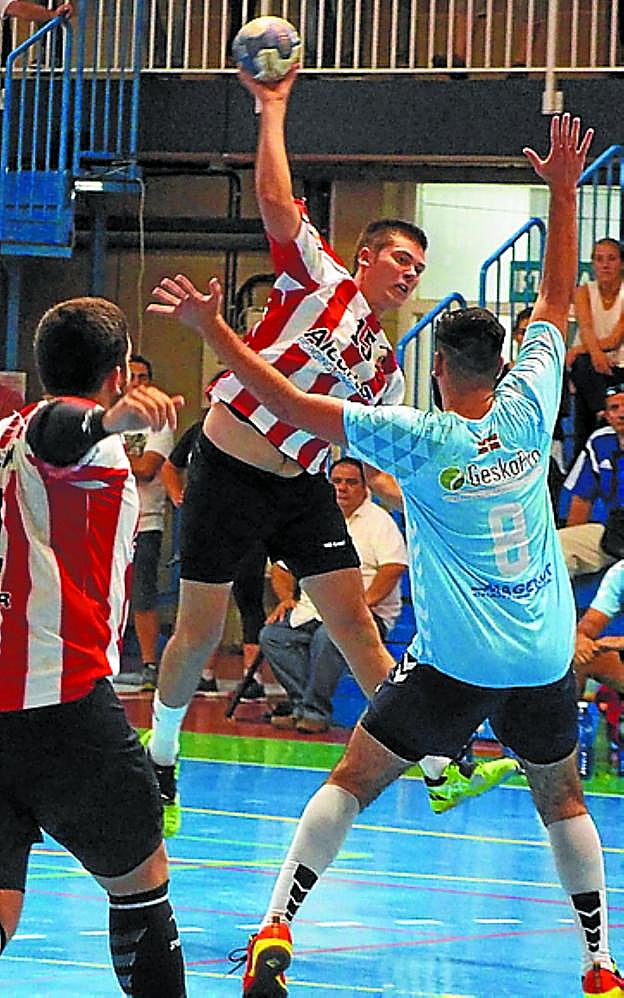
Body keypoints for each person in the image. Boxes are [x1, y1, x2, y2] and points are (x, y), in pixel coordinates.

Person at [148, 114, 624, 998]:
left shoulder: (415, 430)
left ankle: (277, 924)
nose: (408, 273)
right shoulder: (532, 404)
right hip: (543, 655)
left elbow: (294, 404)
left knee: (352, 779)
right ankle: (601, 964)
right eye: (399, 259)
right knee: (562, 798)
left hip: (456, 659)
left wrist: (214, 333)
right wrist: (565, 192)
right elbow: (556, 301)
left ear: (439, 370)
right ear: (509, 365)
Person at [143, 65, 516, 840]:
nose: (411, 275)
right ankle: (162, 756)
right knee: (199, 630)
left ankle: (440, 768)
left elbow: (373, 451)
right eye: (401, 261)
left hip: (303, 487)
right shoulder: (318, 276)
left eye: (420, 270)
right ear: (366, 256)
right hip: (229, 469)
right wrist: (272, 109)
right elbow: (275, 198)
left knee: (357, 626)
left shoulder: (388, 369)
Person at [0, 297, 186, 996]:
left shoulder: (5, 432)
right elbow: (60, 432)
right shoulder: (81, 438)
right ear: (117, 375)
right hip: (59, 702)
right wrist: (108, 421)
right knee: (141, 882)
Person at [261, 456, 407, 734]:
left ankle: (314, 713)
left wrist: (360, 606)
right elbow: (281, 567)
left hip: (365, 616)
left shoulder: (380, 522)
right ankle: (303, 706)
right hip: (312, 611)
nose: (342, 488)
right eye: (337, 481)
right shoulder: (315, 519)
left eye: (351, 482)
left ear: (365, 487)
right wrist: (286, 598)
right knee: (273, 636)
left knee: (329, 635)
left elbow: (393, 568)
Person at [160, 415, 269, 697]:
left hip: (249, 525)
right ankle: (203, 672)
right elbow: (170, 466)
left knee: (249, 598)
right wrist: (178, 497)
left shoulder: (259, 428)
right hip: (207, 526)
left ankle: (252, 677)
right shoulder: (199, 431)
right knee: (203, 602)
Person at [123, 354, 174, 692]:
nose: (137, 383)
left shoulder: (158, 421)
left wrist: (111, 454)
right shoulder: (107, 416)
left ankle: (149, 664)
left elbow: (146, 468)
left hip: (145, 521)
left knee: (143, 593)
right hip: (105, 521)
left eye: (143, 377)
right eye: (132, 376)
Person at [566, 237, 624, 459]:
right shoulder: (583, 292)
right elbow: (587, 329)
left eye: (611, 259)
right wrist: (595, 354)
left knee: (582, 364)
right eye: (599, 259)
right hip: (591, 367)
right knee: (583, 367)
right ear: (592, 264)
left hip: (618, 366)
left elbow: (615, 339)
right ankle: (603, 413)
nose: (605, 265)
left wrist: (579, 349)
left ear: (621, 263)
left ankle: (603, 414)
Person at [558, 384, 624, 577]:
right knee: (558, 546)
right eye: (614, 408)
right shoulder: (599, 442)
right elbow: (582, 498)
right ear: (606, 416)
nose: (622, 414)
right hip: (614, 534)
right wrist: (575, 534)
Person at [574, 559, 624, 696]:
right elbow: (585, 631)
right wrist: (581, 641)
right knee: (578, 656)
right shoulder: (620, 572)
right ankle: (569, 708)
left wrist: (621, 642)